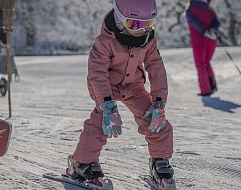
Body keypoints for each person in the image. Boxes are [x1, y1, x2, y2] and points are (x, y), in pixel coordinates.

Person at [68, 0, 176, 189]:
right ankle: (82, 164)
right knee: (102, 120)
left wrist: (159, 103)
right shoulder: (104, 42)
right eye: (134, 24)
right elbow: (97, 74)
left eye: (148, 24)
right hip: (106, 87)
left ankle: (160, 162)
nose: (141, 30)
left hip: (133, 85)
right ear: (119, 19)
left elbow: (156, 68)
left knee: (155, 119)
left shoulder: (148, 39)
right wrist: (107, 105)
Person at [186, 0, 220, 96]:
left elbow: (194, 22)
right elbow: (216, 22)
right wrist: (212, 30)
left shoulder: (190, 9)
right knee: (206, 62)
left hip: (199, 40)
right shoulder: (209, 9)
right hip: (211, 40)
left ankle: (205, 89)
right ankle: (212, 85)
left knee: (200, 64)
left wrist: (204, 32)